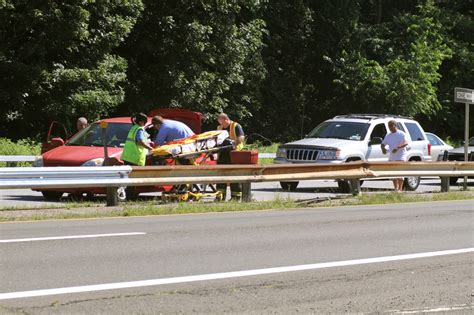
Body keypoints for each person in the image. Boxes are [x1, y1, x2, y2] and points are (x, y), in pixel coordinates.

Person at [216, 113, 245, 201]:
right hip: (222, 155)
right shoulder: (219, 128)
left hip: (234, 154)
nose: (221, 124)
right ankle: (220, 197)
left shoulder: (236, 126)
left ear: (226, 119)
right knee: (221, 177)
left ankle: (235, 197)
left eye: (222, 122)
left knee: (234, 177)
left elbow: (241, 138)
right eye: (220, 122)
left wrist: (233, 144)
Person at [381, 120, 409, 191]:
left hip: (401, 156)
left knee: (400, 173)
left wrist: (398, 147)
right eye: (389, 126)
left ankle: (400, 189)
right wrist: (383, 149)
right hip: (392, 157)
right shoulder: (388, 135)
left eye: (391, 125)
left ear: (395, 125)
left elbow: (406, 142)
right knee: (393, 174)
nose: (390, 127)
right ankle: (395, 189)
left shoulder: (401, 134)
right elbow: (383, 144)